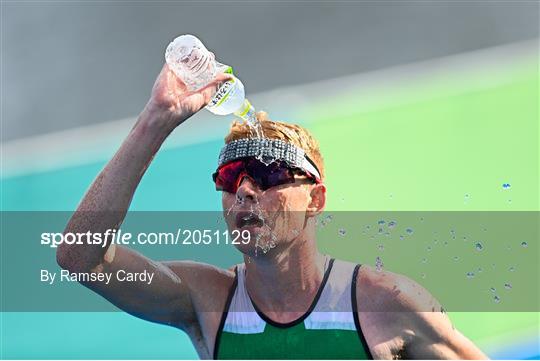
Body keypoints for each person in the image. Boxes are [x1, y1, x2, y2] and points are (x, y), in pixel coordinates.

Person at [57, 64, 488, 360]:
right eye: (230, 177)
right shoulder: (206, 301)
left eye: (267, 174)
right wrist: (156, 119)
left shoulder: (385, 304)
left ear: (315, 200)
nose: (244, 189)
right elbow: (80, 257)